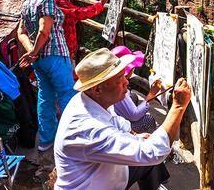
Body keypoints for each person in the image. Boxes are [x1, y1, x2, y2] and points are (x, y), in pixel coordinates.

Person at [54, 48, 191, 190]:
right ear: (97, 89)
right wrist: (178, 107)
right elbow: (153, 152)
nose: (126, 82)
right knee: (149, 153)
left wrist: (136, 137)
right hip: (93, 185)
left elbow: (117, 121)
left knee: (146, 158)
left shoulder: (90, 100)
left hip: (109, 176)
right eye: (119, 78)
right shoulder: (87, 129)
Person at [17, 0, 75, 152]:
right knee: (68, 95)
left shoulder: (27, 2)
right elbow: (45, 30)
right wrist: (33, 51)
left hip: (40, 61)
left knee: (46, 97)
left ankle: (46, 140)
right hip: (56, 55)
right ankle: (71, 141)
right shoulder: (47, 0)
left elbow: (21, 32)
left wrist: (33, 53)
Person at [51, 0, 110, 64]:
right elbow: (78, 13)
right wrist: (100, 4)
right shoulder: (58, 0)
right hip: (62, 45)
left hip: (64, 44)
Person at [111, 46, 162, 133]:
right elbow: (134, 115)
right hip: (118, 125)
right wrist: (152, 94)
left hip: (116, 114)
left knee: (133, 96)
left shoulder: (114, 81)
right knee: (148, 120)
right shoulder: (118, 88)